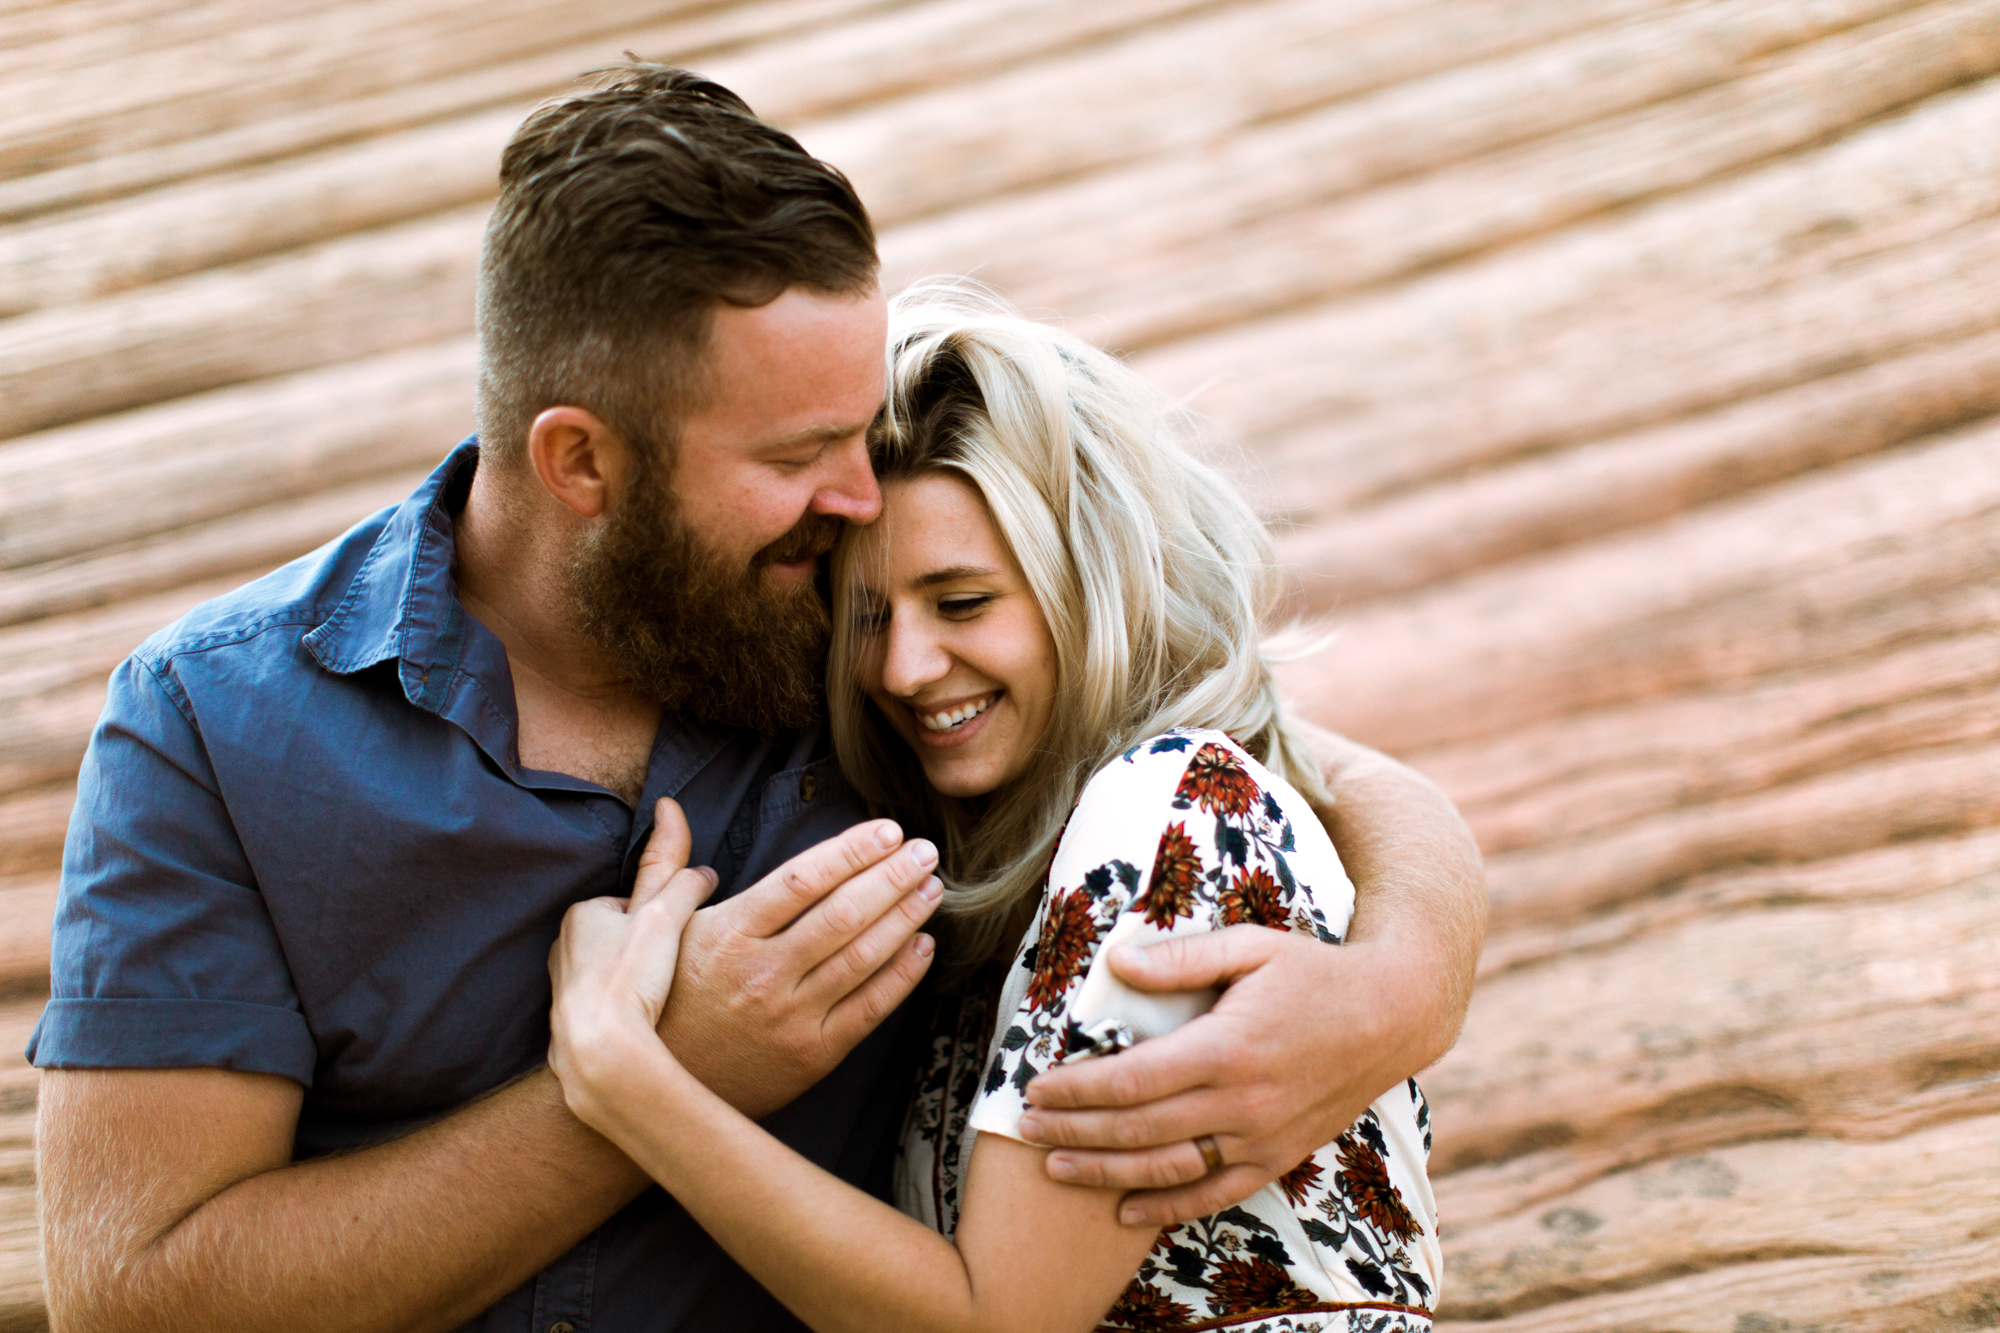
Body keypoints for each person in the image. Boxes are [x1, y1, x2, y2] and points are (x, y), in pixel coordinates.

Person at [30, 64, 1483, 1333]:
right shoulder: (217, 728)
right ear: (582, 465)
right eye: (800, 452)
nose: (857, 496)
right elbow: (136, 1296)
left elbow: (1237, 750)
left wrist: (1401, 980)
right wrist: (655, 1083)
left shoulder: (864, 640)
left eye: (861, 431)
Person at [547, 284, 1443, 1333]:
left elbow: (992, 1321)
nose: (905, 667)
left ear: (1093, 582)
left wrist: (624, 1074)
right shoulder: (1025, 851)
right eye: (866, 616)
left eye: (962, 602)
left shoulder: (1168, 813)